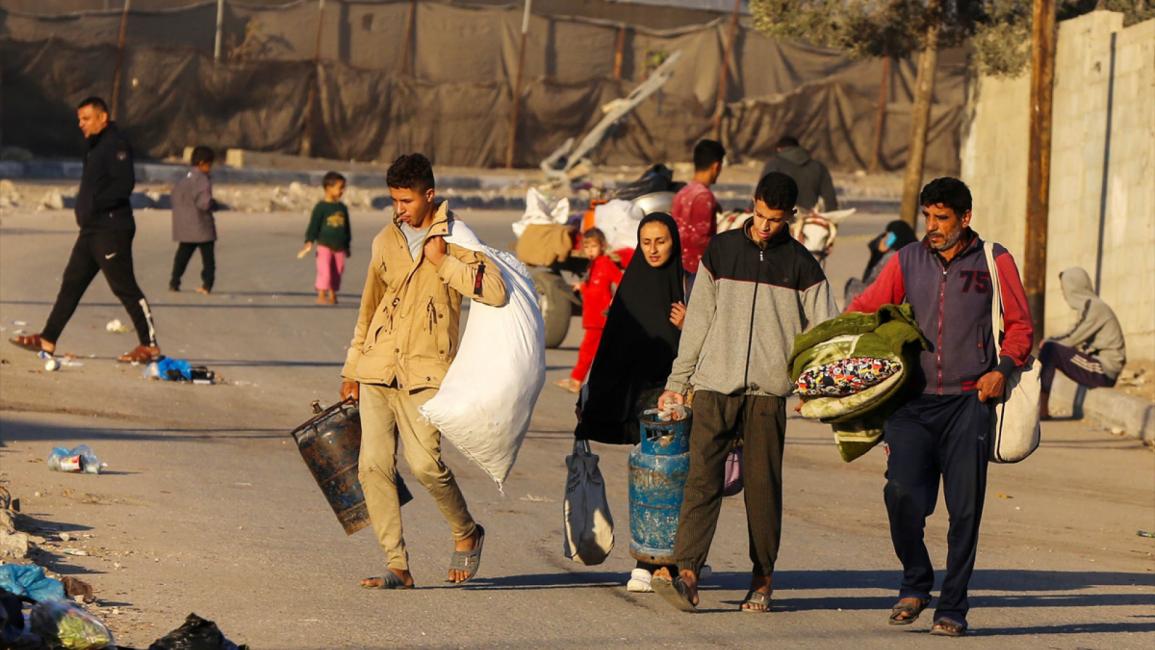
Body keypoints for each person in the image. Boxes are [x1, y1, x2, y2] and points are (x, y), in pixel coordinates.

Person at [847, 177, 1033, 637]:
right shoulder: (907, 259)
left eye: (942, 218)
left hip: (970, 403)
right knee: (902, 496)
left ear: (965, 218)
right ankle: (915, 579)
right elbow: (868, 310)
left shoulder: (995, 260)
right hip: (910, 404)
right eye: (927, 217)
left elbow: (1021, 326)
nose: (932, 226)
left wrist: (1003, 368)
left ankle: (952, 608)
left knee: (965, 511)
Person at [650, 172, 838, 613]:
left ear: (791, 216)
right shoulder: (722, 251)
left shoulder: (804, 267)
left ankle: (762, 578)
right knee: (701, 481)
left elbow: (825, 336)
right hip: (715, 386)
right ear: (752, 204)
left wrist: (814, 388)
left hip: (768, 395)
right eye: (759, 215)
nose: (766, 226)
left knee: (762, 488)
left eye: (775, 219)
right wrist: (679, 383)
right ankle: (689, 572)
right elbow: (697, 325)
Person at [339, 153, 507, 589]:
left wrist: (442, 262)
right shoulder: (384, 241)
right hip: (377, 368)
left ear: (429, 195)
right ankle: (397, 565)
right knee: (371, 466)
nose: (400, 210)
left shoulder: (457, 239)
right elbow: (368, 307)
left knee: (425, 465)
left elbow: (494, 289)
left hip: (425, 374)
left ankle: (466, 531)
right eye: (394, 200)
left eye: (407, 200)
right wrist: (352, 368)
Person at [572, 213, 686, 592]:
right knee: (648, 477)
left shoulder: (688, 287)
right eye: (647, 242)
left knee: (679, 480)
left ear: (675, 243)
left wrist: (690, 324)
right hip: (641, 400)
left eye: (661, 241)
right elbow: (611, 348)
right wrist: (590, 395)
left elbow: (708, 341)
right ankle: (646, 560)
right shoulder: (632, 286)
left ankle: (674, 559)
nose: (653, 250)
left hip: (678, 396)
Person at [8, 96, 160, 364]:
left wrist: (95, 205)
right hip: (91, 230)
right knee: (71, 284)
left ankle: (149, 346)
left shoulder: (116, 145)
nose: (81, 124)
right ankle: (48, 338)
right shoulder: (94, 146)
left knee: (124, 287)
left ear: (103, 117)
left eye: (86, 118)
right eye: (79, 119)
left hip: (112, 227)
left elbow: (124, 184)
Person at [1038, 267, 1126, 419]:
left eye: (1064, 289)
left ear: (1073, 287)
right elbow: (1073, 335)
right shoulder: (1091, 306)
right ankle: (1042, 407)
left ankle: (1041, 408)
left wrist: (1048, 342)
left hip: (1104, 370)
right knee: (1050, 347)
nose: (1064, 294)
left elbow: (1072, 338)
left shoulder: (1094, 307)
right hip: (1099, 366)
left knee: (1050, 349)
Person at [556, 228, 622, 393]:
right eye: (587, 247)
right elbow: (593, 287)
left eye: (593, 246)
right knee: (592, 351)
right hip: (592, 316)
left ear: (602, 246)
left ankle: (577, 380)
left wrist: (614, 301)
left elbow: (621, 281)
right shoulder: (592, 265)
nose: (590, 250)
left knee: (588, 351)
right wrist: (582, 286)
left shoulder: (606, 263)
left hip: (600, 317)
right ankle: (579, 380)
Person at [670, 139, 724, 280]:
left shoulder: (682, 192)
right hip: (696, 270)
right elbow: (701, 240)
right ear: (716, 166)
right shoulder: (704, 196)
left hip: (678, 267)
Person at [169, 146, 217, 295]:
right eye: (209, 165)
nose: (210, 168)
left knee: (182, 256)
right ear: (202, 163)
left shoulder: (184, 179)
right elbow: (204, 203)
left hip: (185, 226)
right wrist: (214, 204)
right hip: (202, 225)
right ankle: (207, 284)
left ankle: (174, 281)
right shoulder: (203, 180)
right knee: (208, 259)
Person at [298, 172, 351, 305]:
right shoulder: (321, 207)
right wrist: (309, 240)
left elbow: (346, 228)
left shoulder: (342, 208)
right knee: (325, 270)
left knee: (338, 270)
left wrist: (347, 245)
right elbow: (313, 225)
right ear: (328, 188)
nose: (342, 190)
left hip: (339, 246)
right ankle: (322, 293)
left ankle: (332, 293)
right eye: (340, 187)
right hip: (324, 245)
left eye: (344, 187)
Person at [844, 220, 918, 306]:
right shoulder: (915, 253)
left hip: (884, 297)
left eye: (889, 235)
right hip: (891, 296)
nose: (886, 238)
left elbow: (871, 280)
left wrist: (879, 252)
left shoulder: (893, 256)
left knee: (852, 285)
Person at [759, 136, 838, 213]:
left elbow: (762, 190)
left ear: (779, 149)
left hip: (781, 217)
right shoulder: (818, 167)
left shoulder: (774, 164)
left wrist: (752, 209)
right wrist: (831, 215)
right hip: (808, 217)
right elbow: (829, 197)